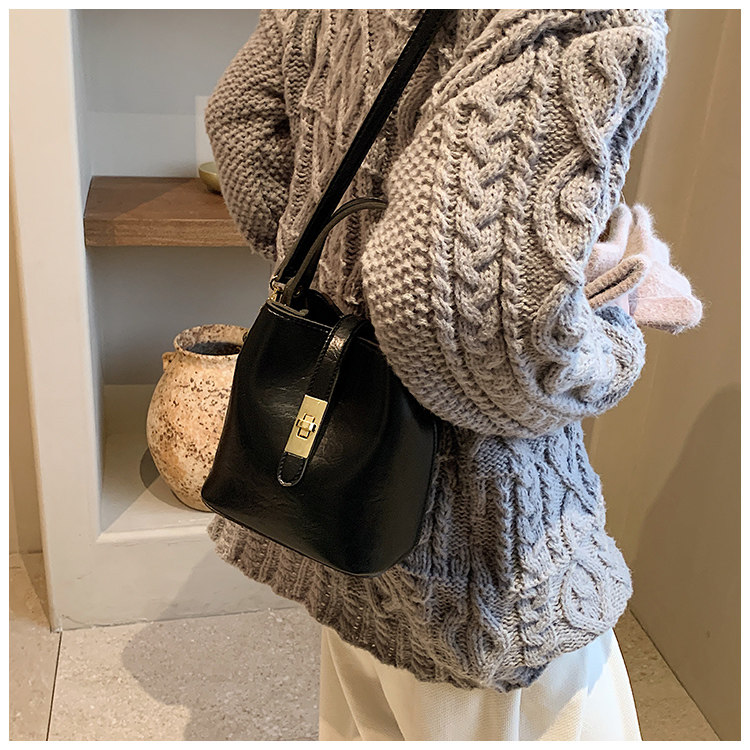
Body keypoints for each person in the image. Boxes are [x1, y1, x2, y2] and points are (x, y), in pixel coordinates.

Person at [203, 9, 700, 741]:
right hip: (475, 550)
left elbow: (239, 120)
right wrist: (614, 342)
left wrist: (335, 278)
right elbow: (482, 330)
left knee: (370, 713)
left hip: (344, 502)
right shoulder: (577, 16)